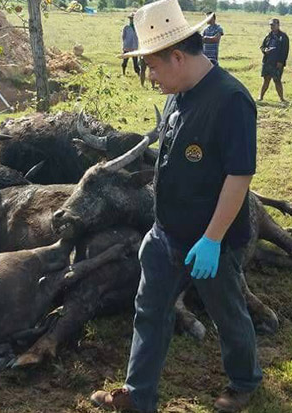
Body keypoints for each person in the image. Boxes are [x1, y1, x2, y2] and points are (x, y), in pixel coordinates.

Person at [90, 0, 262, 412]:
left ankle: (243, 381)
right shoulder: (178, 95)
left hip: (211, 241)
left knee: (228, 312)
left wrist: (212, 239)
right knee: (149, 312)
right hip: (166, 234)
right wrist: (158, 228)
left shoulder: (230, 101)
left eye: (152, 66)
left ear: (178, 57)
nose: (150, 76)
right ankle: (138, 395)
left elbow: (239, 177)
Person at [259, 18, 289, 102]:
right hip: (267, 61)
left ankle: (282, 98)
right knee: (266, 80)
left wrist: (281, 62)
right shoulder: (268, 36)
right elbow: (262, 46)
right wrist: (265, 50)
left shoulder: (283, 36)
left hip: (277, 63)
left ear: (278, 25)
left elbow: (285, 51)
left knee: (277, 81)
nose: (272, 27)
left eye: (273, 25)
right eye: (271, 25)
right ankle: (261, 97)